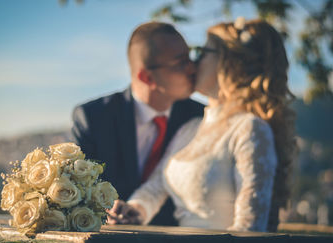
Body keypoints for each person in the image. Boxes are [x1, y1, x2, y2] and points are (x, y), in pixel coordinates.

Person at [109, 18, 297, 232]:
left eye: (203, 53)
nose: (192, 64)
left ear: (229, 64)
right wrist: (136, 209)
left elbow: (249, 229)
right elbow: (156, 186)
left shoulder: (249, 129)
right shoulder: (190, 128)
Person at [69, 22, 205, 225]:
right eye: (181, 63)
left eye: (190, 58)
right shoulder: (93, 118)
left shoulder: (199, 116)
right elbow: (77, 193)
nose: (193, 68)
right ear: (147, 77)